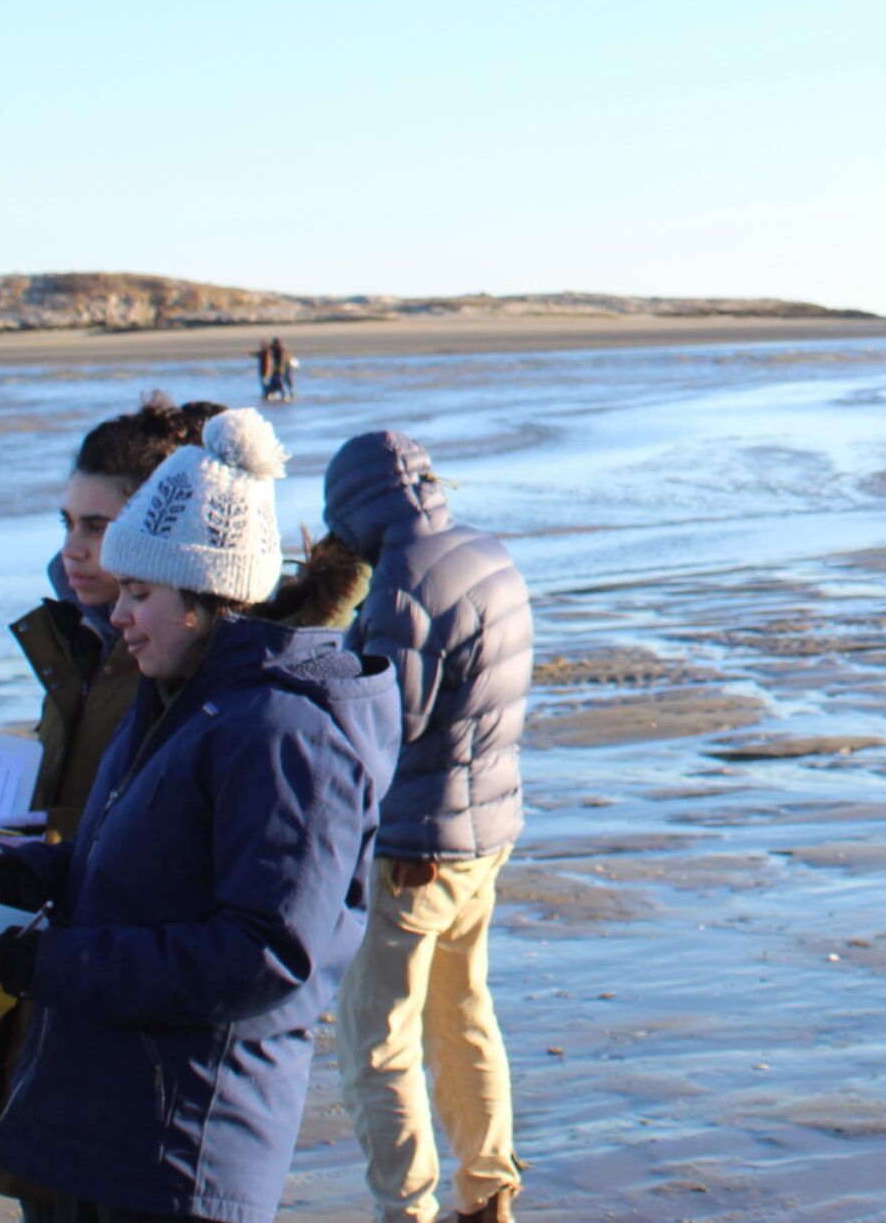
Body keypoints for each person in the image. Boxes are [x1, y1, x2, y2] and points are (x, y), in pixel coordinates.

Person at [0, 409, 399, 1223]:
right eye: (122, 589)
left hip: (184, 1143)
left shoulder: (283, 731)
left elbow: (264, 952)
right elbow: (140, 859)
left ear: (208, 598)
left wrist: (51, 965)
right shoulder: (172, 698)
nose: (119, 614)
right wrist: (32, 871)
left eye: (140, 592)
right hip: (98, 1122)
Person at [0, 394, 223, 1208]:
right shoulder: (83, 642)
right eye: (69, 522)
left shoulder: (179, 664)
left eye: (97, 527)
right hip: (55, 1011)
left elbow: (178, 859)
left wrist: (40, 851)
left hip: (129, 1041)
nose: (73, 550)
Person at [324, 431, 534, 1223]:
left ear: (352, 508)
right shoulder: (484, 550)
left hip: (416, 848)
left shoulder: (403, 583)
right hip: (488, 825)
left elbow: (387, 724)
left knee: (375, 1037)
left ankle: (405, 1208)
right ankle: (489, 1192)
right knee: (463, 1007)